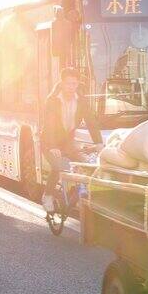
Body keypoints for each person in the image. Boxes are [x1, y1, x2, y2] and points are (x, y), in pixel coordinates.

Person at [41, 68, 104, 212]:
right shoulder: (52, 100)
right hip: (49, 141)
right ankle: (48, 195)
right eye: (68, 84)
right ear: (62, 83)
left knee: (86, 164)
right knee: (57, 167)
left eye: (74, 84)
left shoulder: (81, 101)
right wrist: (52, 146)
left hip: (67, 141)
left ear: (77, 84)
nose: (71, 87)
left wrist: (98, 142)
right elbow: (49, 125)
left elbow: (91, 122)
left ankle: (74, 192)